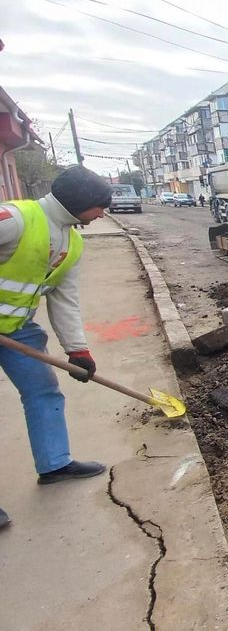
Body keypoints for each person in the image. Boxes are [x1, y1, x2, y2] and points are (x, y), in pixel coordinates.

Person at [0, 164, 112, 532]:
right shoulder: (15, 219)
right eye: (100, 206)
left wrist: (77, 349)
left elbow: (64, 299)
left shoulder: (71, 241)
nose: (102, 214)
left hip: (16, 331)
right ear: (80, 202)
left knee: (44, 391)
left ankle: (54, 463)